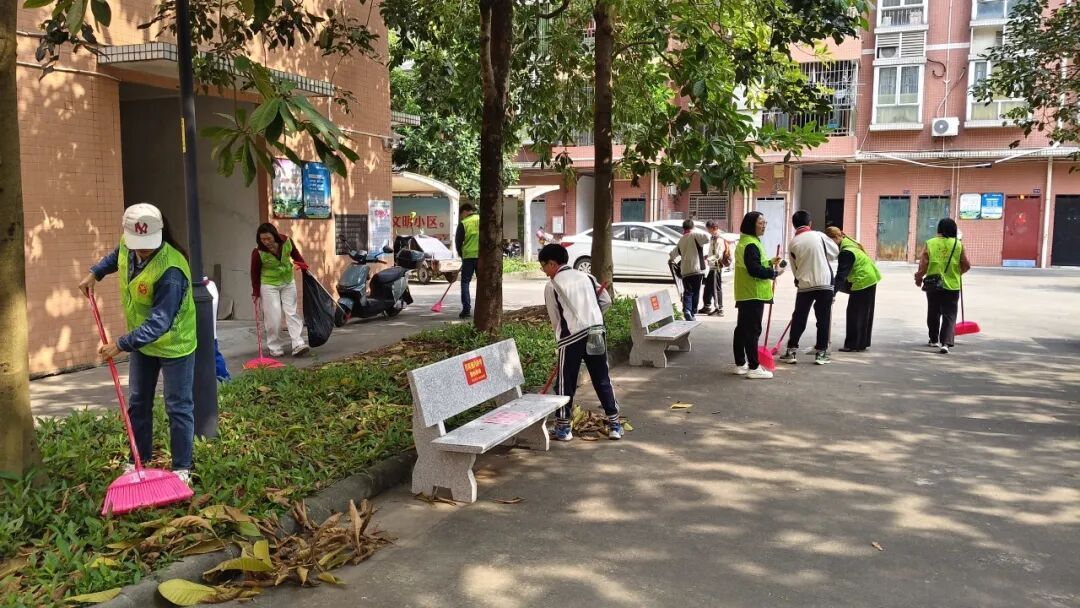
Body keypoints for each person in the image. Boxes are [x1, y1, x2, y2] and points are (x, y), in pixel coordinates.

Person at [78, 203, 196, 483]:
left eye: (147, 245)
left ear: (160, 233)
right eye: (137, 244)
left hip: (174, 344)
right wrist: (95, 273)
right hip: (143, 344)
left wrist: (120, 344)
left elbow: (160, 322)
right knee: (138, 401)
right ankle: (138, 459)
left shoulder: (171, 270)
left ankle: (182, 468)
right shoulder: (128, 244)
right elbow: (117, 256)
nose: (141, 250)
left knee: (177, 406)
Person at [538, 244, 622, 441]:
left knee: (565, 382)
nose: (543, 270)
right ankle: (615, 424)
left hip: (571, 338)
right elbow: (606, 301)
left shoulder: (552, 285)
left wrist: (562, 339)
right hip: (596, 332)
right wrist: (591, 317)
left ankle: (563, 428)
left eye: (543, 265)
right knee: (602, 378)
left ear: (552, 263)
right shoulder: (588, 277)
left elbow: (555, 319)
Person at [780, 211, 839, 365]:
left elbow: (795, 268)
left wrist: (798, 280)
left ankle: (791, 351)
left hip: (805, 284)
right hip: (825, 282)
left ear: (794, 225)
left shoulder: (793, 243)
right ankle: (821, 353)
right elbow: (835, 253)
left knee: (799, 317)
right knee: (823, 318)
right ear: (810, 223)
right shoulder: (819, 236)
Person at [732, 211, 784, 379]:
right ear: (751, 225)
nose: (764, 226)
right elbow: (754, 270)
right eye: (761, 223)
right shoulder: (751, 244)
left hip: (745, 293)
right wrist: (773, 273)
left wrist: (769, 262)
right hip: (753, 293)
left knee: (742, 329)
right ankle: (754, 367)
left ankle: (740, 364)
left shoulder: (746, 242)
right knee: (752, 331)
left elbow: (753, 264)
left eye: (765, 222)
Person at [250, 223, 309, 357]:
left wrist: (303, 265)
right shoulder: (258, 252)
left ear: (275, 236)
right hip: (269, 285)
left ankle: (298, 343)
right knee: (273, 318)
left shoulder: (287, 241)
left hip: (288, 281)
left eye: (268, 238)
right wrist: (256, 293)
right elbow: (254, 273)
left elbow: (296, 255)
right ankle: (275, 346)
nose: (266, 242)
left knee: (291, 312)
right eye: (263, 239)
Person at [914, 218, 971, 354]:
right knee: (949, 314)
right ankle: (945, 343)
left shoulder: (930, 243)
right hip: (952, 285)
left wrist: (918, 278)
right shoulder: (958, 244)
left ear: (939, 229)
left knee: (933, 312)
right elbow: (966, 264)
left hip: (933, 284)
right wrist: (958, 273)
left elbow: (923, 265)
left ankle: (934, 339)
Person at [826, 227, 881, 353]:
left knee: (854, 313)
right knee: (864, 313)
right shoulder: (849, 242)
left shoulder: (846, 252)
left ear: (836, 238)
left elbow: (841, 276)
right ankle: (862, 343)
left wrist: (832, 293)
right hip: (870, 278)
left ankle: (852, 344)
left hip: (862, 281)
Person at [669, 219, 710, 321]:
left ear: (683, 228)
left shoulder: (681, 239)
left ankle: (687, 310)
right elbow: (707, 238)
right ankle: (692, 312)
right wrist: (695, 230)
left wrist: (671, 260)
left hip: (685, 271)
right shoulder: (695, 235)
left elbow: (673, 254)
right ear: (693, 227)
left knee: (688, 291)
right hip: (697, 269)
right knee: (696, 292)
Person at [699, 220, 731, 317]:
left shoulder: (719, 240)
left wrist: (708, 259)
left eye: (709, 229)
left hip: (716, 267)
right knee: (708, 288)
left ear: (714, 228)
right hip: (712, 267)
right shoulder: (713, 238)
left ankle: (719, 309)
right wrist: (707, 257)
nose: (708, 231)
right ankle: (707, 306)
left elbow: (718, 255)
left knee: (716, 289)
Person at [455, 203, 480, 319]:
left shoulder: (464, 223)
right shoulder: (482, 219)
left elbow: (458, 242)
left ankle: (466, 309)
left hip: (468, 257)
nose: (462, 217)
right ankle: (482, 308)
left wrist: (462, 255)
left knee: (465, 282)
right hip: (482, 257)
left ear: (465, 211)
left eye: (461, 215)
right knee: (482, 283)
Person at [204, 278, 231, 382]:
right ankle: (226, 380)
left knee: (214, 357)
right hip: (209, 334)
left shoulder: (207, 287)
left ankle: (225, 380)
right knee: (214, 357)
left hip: (202, 335)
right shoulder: (210, 285)